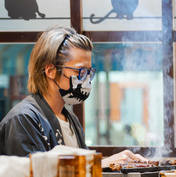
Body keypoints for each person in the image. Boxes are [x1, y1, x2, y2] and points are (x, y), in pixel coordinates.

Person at [0, 25, 148, 168]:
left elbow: (83, 174)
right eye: (80, 71)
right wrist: (99, 164)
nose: (86, 79)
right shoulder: (23, 118)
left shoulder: (71, 119)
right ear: (51, 70)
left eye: (89, 72)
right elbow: (33, 176)